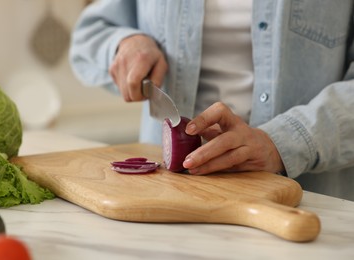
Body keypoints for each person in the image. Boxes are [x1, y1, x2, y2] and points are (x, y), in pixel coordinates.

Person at [69, 0, 354, 200]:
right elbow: (90, 33)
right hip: (165, 198)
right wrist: (124, 43)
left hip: (307, 198)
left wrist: (283, 142)